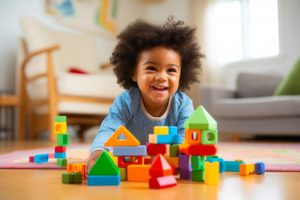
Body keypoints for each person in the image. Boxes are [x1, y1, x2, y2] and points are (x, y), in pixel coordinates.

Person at [87, 16, 204, 172]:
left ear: (181, 76)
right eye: (151, 68)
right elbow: (109, 128)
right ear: (133, 73)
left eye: (171, 70)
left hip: (165, 161)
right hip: (131, 159)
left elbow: (186, 135)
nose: (162, 77)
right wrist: (98, 152)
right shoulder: (126, 101)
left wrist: (177, 156)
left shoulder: (182, 104)